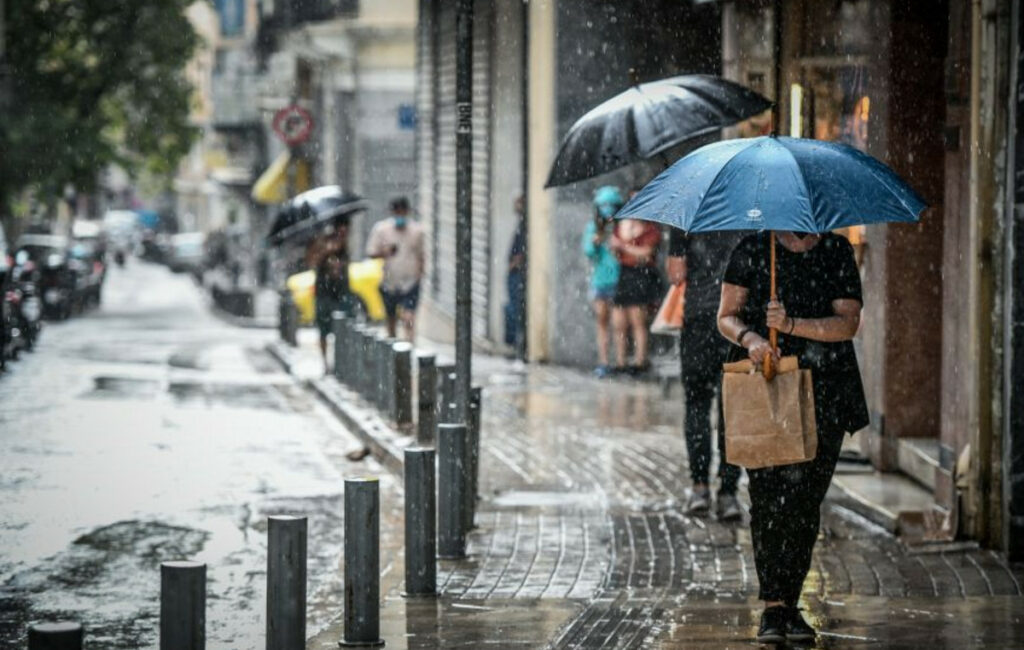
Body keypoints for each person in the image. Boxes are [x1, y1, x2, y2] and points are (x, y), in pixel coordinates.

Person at [717, 230, 868, 644]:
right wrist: (751, 339)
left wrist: (791, 325)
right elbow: (726, 316)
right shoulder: (753, 248)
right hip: (765, 389)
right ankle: (773, 606)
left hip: (825, 393)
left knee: (804, 502)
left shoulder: (835, 250)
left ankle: (791, 601)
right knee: (767, 499)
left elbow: (848, 323)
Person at [667, 228, 744, 520]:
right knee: (732, 409)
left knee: (697, 404)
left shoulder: (688, 219)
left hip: (698, 320)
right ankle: (728, 492)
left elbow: (676, 275)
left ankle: (699, 488)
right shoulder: (751, 214)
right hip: (737, 324)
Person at [609, 210, 662, 375]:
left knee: (637, 320)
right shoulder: (622, 226)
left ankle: (640, 361)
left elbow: (646, 253)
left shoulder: (650, 229)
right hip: (624, 274)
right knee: (619, 321)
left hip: (641, 275)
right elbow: (616, 250)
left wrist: (624, 246)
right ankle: (621, 361)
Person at [366, 197, 425, 341]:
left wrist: (420, 275)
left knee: (408, 316)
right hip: (389, 282)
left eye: (402, 212)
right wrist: (385, 252)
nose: (400, 216)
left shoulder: (417, 231)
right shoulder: (382, 230)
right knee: (391, 318)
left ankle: (409, 344)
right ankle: (392, 344)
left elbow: (421, 255)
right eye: (397, 212)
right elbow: (371, 252)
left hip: (410, 282)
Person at [582, 186, 623, 377]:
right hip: (600, 281)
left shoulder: (621, 226)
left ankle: (620, 361)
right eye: (604, 205)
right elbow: (588, 252)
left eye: (611, 205)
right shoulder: (592, 227)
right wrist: (595, 242)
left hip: (619, 279)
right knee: (602, 322)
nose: (607, 209)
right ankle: (604, 361)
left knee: (619, 325)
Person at [314, 251, 350, 374]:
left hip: (338, 299)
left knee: (342, 334)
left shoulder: (343, 255)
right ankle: (326, 363)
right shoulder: (322, 257)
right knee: (324, 333)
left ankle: (339, 364)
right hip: (324, 301)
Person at [505, 196, 527, 359]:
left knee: (515, 309)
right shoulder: (521, 225)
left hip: (517, 275)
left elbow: (521, 254)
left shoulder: (524, 227)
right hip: (514, 274)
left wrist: (514, 264)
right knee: (512, 308)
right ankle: (514, 343)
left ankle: (516, 344)